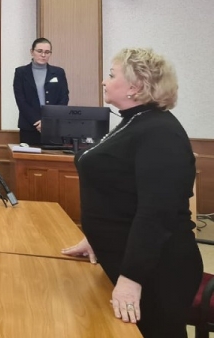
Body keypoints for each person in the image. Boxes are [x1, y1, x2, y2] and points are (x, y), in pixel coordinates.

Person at [61, 47, 202, 338]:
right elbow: (119, 191)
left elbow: (156, 214)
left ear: (135, 87)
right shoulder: (134, 121)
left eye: (112, 75)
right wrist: (94, 237)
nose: (104, 81)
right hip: (125, 255)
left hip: (158, 270)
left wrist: (131, 278)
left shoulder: (160, 132)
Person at [13, 37, 69, 145]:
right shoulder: (21, 72)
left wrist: (48, 121)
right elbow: (21, 100)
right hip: (29, 126)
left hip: (53, 126)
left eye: (47, 52)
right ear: (32, 52)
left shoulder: (59, 72)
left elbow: (64, 98)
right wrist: (37, 121)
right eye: (39, 51)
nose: (43, 55)